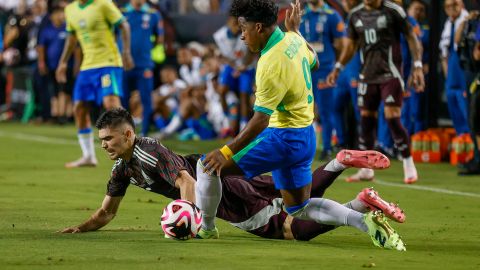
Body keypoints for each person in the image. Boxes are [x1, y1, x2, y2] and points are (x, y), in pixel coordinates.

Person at [197, 0, 405, 250]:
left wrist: (226, 151)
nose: (242, 36)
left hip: (281, 139)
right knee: (300, 208)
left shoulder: (269, 63)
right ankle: (364, 221)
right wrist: (295, 31)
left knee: (207, 168)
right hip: (306, 137)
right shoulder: (293, 38)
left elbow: (260, 120)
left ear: (259, 27)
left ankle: (205, 228)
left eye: (244, 28)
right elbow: (314, 62)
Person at [59, 108, 406, 242]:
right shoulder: (123, 168)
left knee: (287, 229)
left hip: (220, 191)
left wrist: (192, 219)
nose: (104, 145)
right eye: (101, 140)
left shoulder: (146, 151)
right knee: (292, 196)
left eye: (109, 139)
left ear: (128, 135)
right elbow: (107, 211)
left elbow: (186, 181)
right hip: (231, 175)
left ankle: (357, 203)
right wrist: (82, 227)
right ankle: (340, 163)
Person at [327, 0, 425, 184]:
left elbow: (411, 37)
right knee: (366, 119)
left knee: (392, 117)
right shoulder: (355, 15)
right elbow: (351, 46)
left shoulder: (393, 11)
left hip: (391, 74)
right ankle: (366, 170)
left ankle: (408, 163)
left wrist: (418, 65)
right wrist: (338, 67)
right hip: (367, 75)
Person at [56, 0, 134, 168]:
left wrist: (126, 52)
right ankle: (88, 156)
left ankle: (133, 150)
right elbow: (71, 38)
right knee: (79, 108)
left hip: (108, 63)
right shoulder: (70, 10)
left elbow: (124, 25)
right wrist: (63, 62)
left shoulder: (103, 4)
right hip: (87, 67)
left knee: (111, 105)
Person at [300, 0, 346, 159]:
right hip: (303, 70)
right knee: (303, 111)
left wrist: (337, 67)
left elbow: (341, 45)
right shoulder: (300, 15)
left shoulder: (332, 16)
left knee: (326, 111)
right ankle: (304, 148)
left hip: (325, 70)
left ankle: (327, 148)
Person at [121, 0, 164, 136]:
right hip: (124, 64)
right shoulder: (121, 13)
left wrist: (146, 49)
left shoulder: (153, 14)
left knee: (146, 99)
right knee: (122, 99)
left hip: (144, 64)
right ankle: (123, 131)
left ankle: (144, 132)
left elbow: (160, 37)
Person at [213, 15, 256, 133]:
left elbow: (253, 52)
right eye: (234, 23)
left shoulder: (246, 33)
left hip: (246, 67)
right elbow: (223, 56)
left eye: (238, 24)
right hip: (232, 66)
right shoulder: (219, 36)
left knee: (244, 96)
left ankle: (243, 125)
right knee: (221, 90)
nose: (236, 27)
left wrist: (244, 67)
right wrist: (235, 67)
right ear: (228, 22)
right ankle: (227, 119)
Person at [37, 3, 74, 125]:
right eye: (57, 13)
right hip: (51, 66)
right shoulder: (47, 30)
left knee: (64, 90)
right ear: (52, 16)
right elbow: (41, 47)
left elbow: (75, 47)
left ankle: (63, 115)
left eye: (61, 13)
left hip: (65, 66)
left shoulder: (67, 28)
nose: (60, 15)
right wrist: (42, 62)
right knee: (54, 91)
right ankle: (55, 114)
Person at [440, 0, 470, 137]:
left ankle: (472, 141)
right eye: (448, 5)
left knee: (467, 108)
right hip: (451, 74)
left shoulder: (469, 21)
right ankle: (461, 139)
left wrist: (464, 22)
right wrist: (447, 74)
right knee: (453, 106)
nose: (451, 7)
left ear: (462, 5)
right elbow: (444, 54)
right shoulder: (448, 23)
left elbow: (458, 41)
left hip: (464, 72)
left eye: (455, 4)